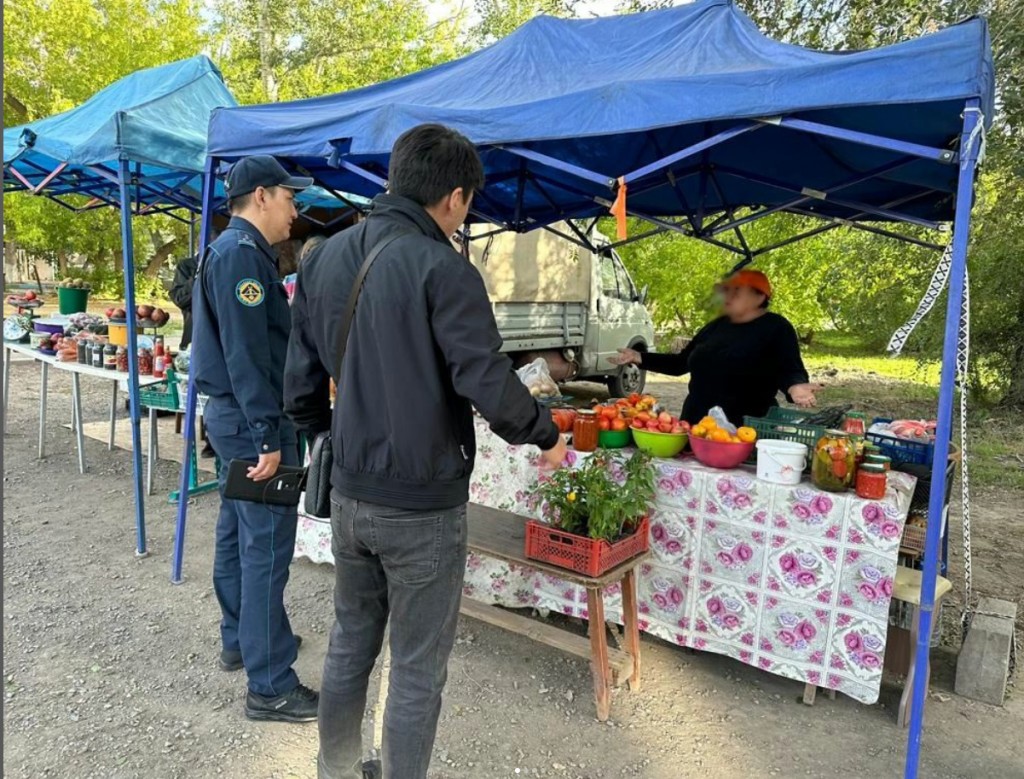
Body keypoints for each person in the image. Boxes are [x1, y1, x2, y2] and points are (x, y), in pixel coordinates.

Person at [285, 124, 568, 779]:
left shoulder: (321, 259)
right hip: (423, 509)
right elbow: (488, 381)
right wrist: (544, 432)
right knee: (415, 664)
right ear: (456, 197)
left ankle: (335, 769)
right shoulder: (444, 267)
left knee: (352, 638)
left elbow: (298, 384)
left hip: (351, 495)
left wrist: (325, 433)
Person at [190, 155, 319, 723]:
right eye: (291, 198)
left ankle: (243, 640)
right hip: (254, 424)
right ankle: (270, 685)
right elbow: (247, 357)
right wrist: (269, 436)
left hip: (236, 419)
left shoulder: (235, 251)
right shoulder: (241, 255)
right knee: (264, 550)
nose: (296, 210)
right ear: (262, 196)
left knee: (235, 535)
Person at [612, 269, 821, 426]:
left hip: (743, 429)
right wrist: (640, 357)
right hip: (696, 424)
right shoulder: (716, 326)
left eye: (737, 292)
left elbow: (789, 369)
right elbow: (681, 363)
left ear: (759, 297)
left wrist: (795, 386)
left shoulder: (777, 327)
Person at [169, 232, 219, 457]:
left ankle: (213, 437)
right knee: (194, 389)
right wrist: (200, 272)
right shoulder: (186, 266)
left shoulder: (224, 264)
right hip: (193, 337)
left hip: (219, 336)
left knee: (216, 389)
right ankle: (199, 433)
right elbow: (180, 298)